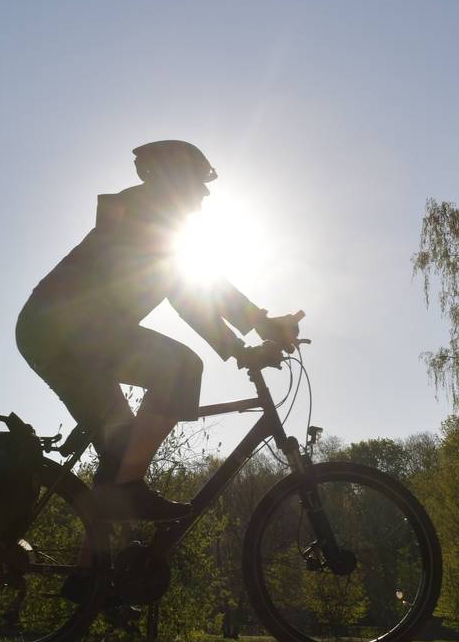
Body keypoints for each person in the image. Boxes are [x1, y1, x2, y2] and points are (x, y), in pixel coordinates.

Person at [16, 140, 301, 522]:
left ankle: (99, 554)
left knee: (120, 452)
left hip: (61, 334)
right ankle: (127, 488)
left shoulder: (148, 218)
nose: (205, 194)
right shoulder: (144, 217)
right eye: (199, 183)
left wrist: (243, 342)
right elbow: (190, 292)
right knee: (181, 368)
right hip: (66, 333)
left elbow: (191, 291)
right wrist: (252, 334)